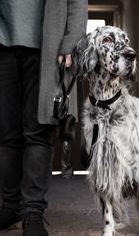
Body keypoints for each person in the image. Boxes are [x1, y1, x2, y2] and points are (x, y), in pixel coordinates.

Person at [0, 0, 87, 235]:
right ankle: (10, 206)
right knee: (6, 133)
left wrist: (72, 40)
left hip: (47, 46)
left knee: (38, 130)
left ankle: (32, 211)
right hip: (3, 42)